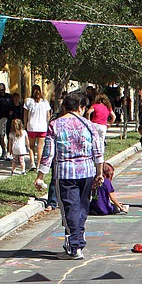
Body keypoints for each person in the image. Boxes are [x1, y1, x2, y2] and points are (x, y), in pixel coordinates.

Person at [34, 90, 104, 261]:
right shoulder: (90, 125)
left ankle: (74, 246)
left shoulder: (55, 125)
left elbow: (48, 153)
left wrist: (40, 176)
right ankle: (77, 240)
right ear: (80, 107)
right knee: (81, 208)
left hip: (65, 173)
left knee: (69, 209)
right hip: (87, 172)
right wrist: (100, 172)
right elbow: (98, 151)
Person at [24, 85, 51, 172]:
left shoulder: (28, 101)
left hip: (31, 126)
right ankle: (39, 164)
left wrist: (25, 125)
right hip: (42, 127)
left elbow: (25, 115)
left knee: (31, 146)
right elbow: (48, 116)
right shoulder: (45, 102)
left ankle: (32, 163)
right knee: (40, 147)